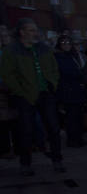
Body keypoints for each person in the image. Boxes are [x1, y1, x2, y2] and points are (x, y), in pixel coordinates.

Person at [0, 18, 63, 174]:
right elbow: (7, 74)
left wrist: (52, 83)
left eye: (35, 30)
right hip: (24, 96)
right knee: (25, 130)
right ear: (22, 32)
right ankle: (25, 163)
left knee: (53, 128)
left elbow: (54, 68)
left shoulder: (44, 49)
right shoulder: (11, 51)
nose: (35, 33)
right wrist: (20, 91)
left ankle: (57, 160)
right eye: (31, 30)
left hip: (45, 93)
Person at [54, 34, 87, 148]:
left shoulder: (73, 56)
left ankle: (79, 138)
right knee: (71, 117)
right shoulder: (58, 57)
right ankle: (72, 139)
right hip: (68, 90)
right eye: (64, 43)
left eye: (68, 43)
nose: (66, 45)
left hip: (77, 89)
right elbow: (66, 72)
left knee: (78, 115)